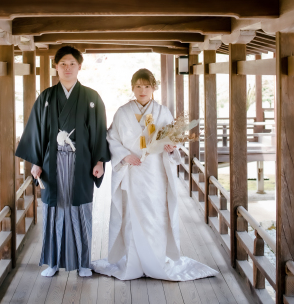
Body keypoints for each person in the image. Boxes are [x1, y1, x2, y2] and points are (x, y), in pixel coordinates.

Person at [92, 68, 218, 281]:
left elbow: (174, 141)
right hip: (133, 172)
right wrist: (124, 156)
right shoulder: (122, 113)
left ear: (153, 88)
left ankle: (157, 261)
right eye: (139, 86)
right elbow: (111, 139)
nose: (142, 90)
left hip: (156, 173)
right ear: (132, 88)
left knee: (157, 215)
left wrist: (171, 148)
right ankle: (133, 262)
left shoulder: (163, 112)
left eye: (147, 86)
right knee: (133, 216)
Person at [15, 46, 110, 277]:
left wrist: (99, 161)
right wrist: (35, 161)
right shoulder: (46, 97)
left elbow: (99, 131)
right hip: (51, 163)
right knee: (53, 210)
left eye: (72, 64)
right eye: (63, 64)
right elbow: (36, 131)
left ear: (79, 67)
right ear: (55, 67)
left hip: (82, 163)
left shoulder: (91, 97)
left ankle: (84, 263)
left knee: (81, 209)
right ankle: (53, 262)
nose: (67, 68)